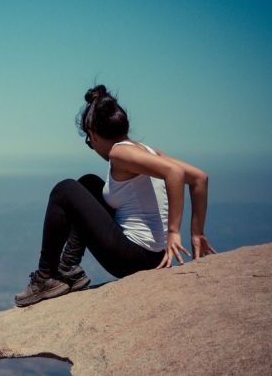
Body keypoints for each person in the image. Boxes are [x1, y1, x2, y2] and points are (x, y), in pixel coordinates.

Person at [15, 84, 217, 307]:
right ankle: (68, 269)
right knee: (89, 184)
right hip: (155, 256)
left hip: (133, 259)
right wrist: (197, 233)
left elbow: (175, 173)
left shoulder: (119, 153)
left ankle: (45, 278)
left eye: (89, 142)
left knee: (64, 190)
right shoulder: (147, 151)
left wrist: (174, 231)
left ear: (92, 134)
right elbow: (200, 178)